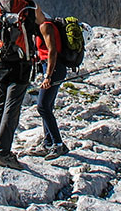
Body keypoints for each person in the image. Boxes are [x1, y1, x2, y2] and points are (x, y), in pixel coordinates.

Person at [0, 0, 44, 170]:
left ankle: (0, 147)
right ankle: (3, 153)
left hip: (0, 62)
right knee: (12, 107)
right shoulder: (27, 6)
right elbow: (42, 22)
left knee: (0, 106)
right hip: (22, 64)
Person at [35, 18, 68, 158]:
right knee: (47, 106)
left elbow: (52, 51)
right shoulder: (44, 25)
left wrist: (48, 76)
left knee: (42, 106)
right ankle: (48, 142)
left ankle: (58, 144)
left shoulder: (45, 26)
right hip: (52, 68)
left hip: (53, 69)